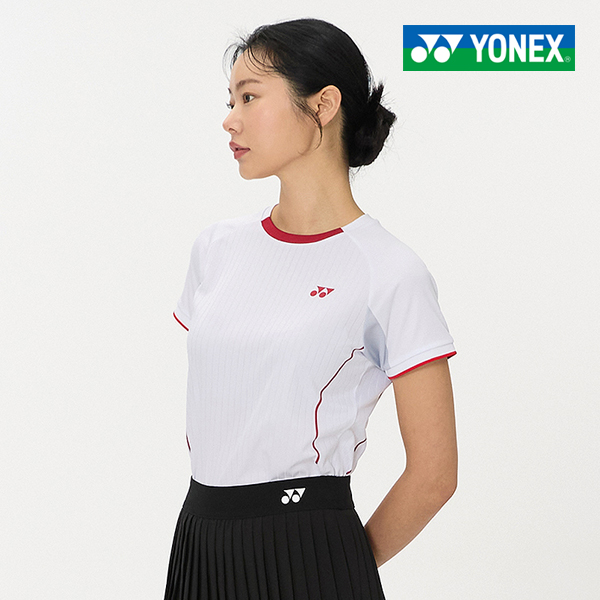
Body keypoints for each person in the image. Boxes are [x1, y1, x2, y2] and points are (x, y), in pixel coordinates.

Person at [163, 17, 458, 600]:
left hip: (308, 546)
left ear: (322, 105)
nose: (230, 119)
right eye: (230, 101)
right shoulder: (217, 249)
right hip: (198, 537)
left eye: (250, 97)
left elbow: (434, 474)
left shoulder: (389, 272)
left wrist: (338, 566)